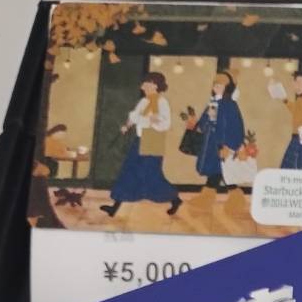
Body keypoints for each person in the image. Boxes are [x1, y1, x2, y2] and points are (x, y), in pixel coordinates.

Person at [101, 72, 181, 216]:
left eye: (145, 83)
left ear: (154, 85)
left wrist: (153, 120)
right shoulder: (144, 101)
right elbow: (134, 116)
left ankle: (175, 199)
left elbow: (165, 124)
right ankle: (115, 207)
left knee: (152, 175)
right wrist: (127, 126)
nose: (142, 86)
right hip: (139, 140)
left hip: (153, 141)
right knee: (128, 171)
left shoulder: (162, 102)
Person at [189, 71, 244, 192]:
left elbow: (235, 126)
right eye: (215, 85)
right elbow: (209, 120)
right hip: (212, 143)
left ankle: (210, 197)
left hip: (223, 144)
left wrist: (230, 145)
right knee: (219, 172)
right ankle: (231, 197)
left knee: (221, 172)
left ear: (227, 88)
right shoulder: (214, 102)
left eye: (220, 85)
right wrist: (198, 125)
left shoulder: (230, 104)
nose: (216, 87)